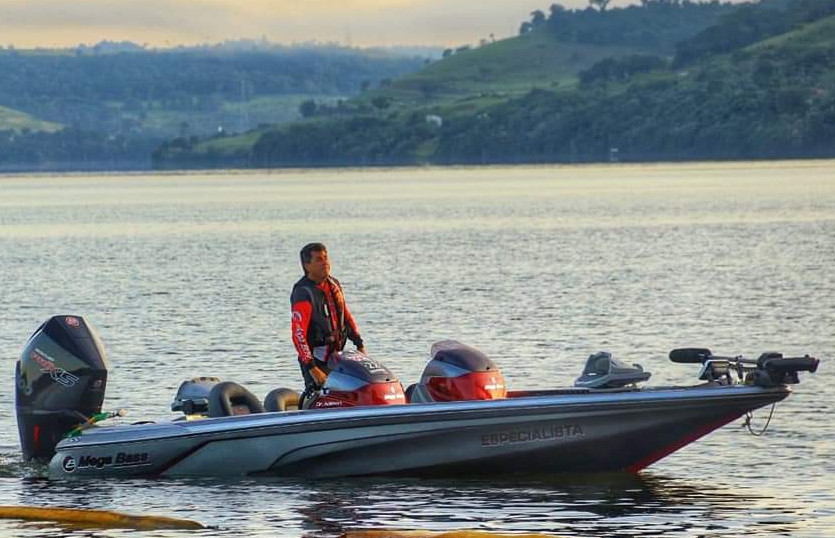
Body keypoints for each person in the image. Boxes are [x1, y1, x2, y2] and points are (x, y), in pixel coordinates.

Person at [290, 242, 365, 396]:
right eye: (318, 259)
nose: (325, 262)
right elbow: (298, 334)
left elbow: (345, 315)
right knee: (321, 397)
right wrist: (312, 368)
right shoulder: (303, 292)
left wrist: (359, 343)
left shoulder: (334, 284)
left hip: (337, 357)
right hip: (316, 360)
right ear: (307, 265)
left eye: (326, 258)